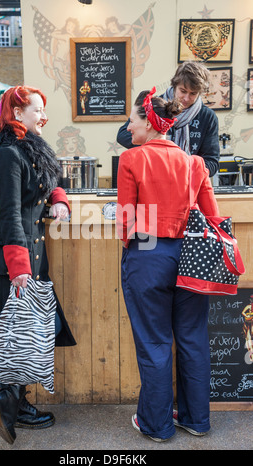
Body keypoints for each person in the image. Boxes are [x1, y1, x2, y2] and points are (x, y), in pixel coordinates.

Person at [0, 85, 76, 444]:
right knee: (11, 333)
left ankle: (13, 401)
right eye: (38, 110)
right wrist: (20, 269)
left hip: (29, 254)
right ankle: (9, 400)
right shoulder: (8, 155)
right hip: (11, 258)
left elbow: (50, 179)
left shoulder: (32, 147)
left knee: (27, 332)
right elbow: (9, 214)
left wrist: (59, 200)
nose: (44, 115)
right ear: (17, 114)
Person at [116, 87, 219, 442]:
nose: (129, 128)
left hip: (148, 255)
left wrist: (135, 248)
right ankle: (197, 420)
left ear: (148, 122)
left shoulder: (131, 159)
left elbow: (125, 224)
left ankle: (157, 426)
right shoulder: (195, 163)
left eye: (132, 120)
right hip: (192, 258)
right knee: (192, 338)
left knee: (154, 341)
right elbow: (213, 219)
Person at [117, 61, 220, 177]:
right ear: (174, 85)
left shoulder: (208, 117)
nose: (186, 98)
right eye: (183, 91)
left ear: (200, 93)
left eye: (193, 93)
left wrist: (183, 170)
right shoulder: (155, 106)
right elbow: (122, 135)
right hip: (152, 178)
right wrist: (159, 150)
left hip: (190, 184)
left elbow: (212, 162)